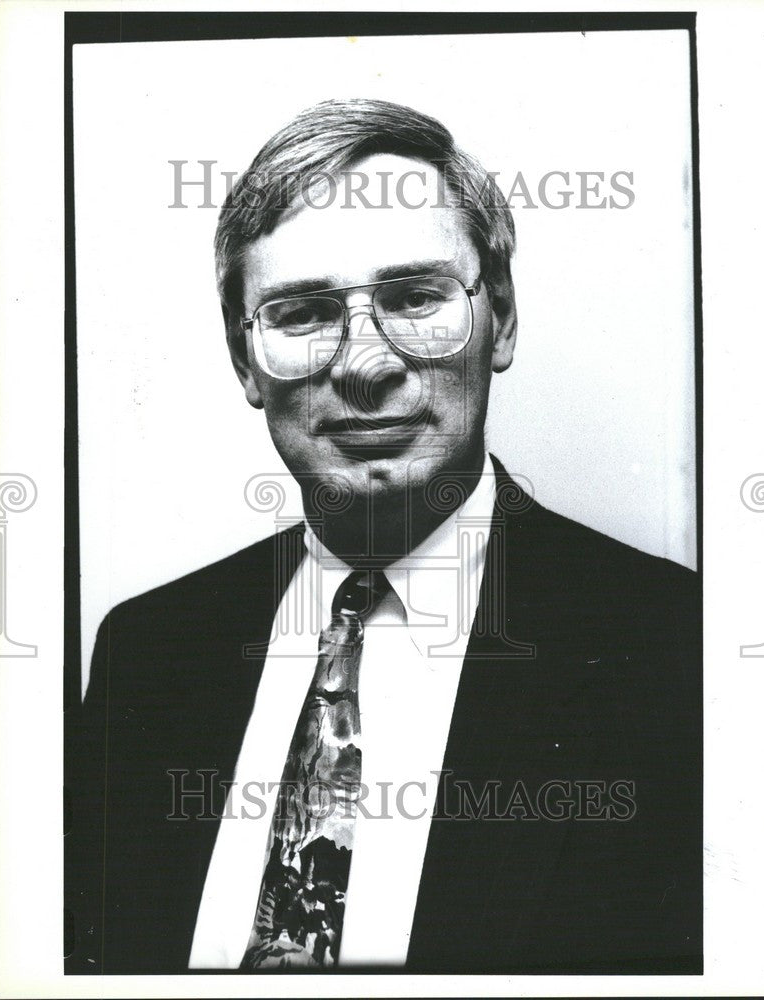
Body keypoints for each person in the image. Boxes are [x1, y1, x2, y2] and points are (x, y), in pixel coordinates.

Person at [65, 98, 701, 975]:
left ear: (502, 319)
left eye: (415, 297)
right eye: (302, 312)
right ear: (243, 358)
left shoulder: (680, 649)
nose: (365, 364)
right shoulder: (146, 653)